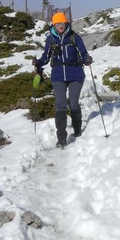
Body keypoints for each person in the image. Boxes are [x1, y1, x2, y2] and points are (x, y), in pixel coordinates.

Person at [33, 12, 93, 147]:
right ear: (54, 25)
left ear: (66, 23)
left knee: (73, 104)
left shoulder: (74, 37)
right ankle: (61, 138)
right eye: (57, 24)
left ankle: (77, 129)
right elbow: (46, 58)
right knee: (60, 105)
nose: (60, 26)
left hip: (76, 75)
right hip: (58, 76)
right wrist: (38, 62)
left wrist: (87, 59)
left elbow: (83, 52)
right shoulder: (51, 40)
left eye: (62, 23)